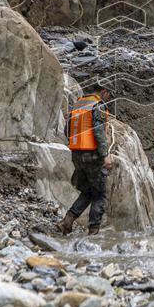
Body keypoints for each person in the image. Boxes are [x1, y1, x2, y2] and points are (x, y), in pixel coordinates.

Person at [57, 84, 113, 235]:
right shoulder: (98, 105)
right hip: (93, 155)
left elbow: (66, 130)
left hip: (77, 154)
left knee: (88, 191)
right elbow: (99, 132)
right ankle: (93, 232)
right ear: (104, 91)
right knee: (100, 194)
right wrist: (105, 155)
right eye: (109, 95)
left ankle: (67, 222)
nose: (108, 99)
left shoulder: (79, 103)